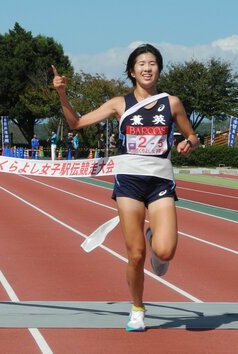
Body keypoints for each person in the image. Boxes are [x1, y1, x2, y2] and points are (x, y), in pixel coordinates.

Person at [52, 43, 199, 332]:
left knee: (165, 251)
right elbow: (76, 122)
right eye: (141, 64)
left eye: (153, 63)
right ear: (132, 71)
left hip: (160, 181)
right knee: (135, 255)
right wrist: (61, 93)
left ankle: (152, 234)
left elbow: (192, 135)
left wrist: (189, 143)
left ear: (159, 69)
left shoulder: (172, 103)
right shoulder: (119, 104)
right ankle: (137, 308)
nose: (147, 68)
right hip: (128, 182)